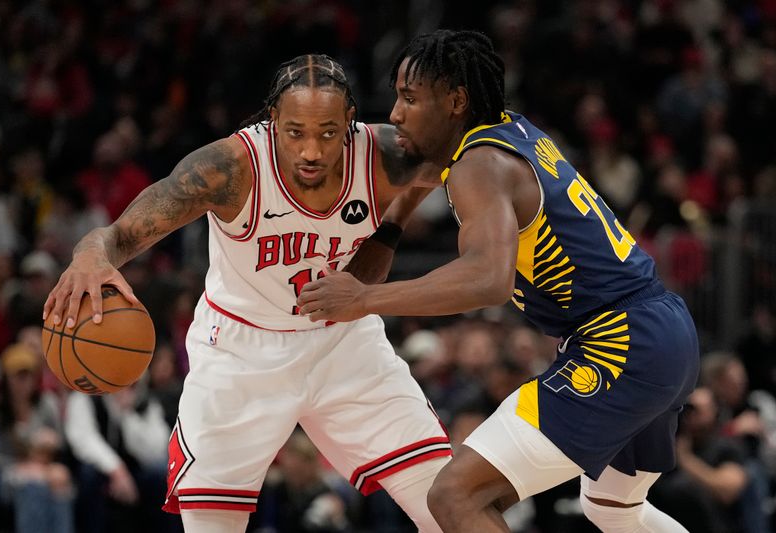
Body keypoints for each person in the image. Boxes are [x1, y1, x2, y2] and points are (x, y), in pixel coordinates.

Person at [297, 30, 700, 533]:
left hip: (619, 346)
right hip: (666, 331)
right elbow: (433, 169)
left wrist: (365, 299)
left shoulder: (478, 165)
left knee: (454, 496)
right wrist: (392, 227)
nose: (396, 113)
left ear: (456, 101)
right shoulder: (508, 131)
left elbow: (486, 280)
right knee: (613, 510)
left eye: (410, 98)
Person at [43, 54, 450, 532]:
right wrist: (90, 255)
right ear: (273, 120)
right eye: (296, 132)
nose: (312, 151)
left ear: (350, 121)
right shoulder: (227, 168)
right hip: (239, 353)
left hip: (344, 342)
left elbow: (455, 152)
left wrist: (390, 231)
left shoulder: (383, 152)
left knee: (449, 506)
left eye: (327, 132)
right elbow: (118, 235)